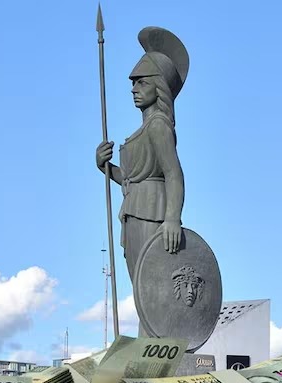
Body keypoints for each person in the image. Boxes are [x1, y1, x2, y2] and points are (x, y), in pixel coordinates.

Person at [96, 27, 190, 313]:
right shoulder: (145, 128)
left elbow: (173, 173)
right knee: (141, 289)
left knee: (151, 286)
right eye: (133, 83)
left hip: (152, 212)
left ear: (158, 85)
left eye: (141, 82)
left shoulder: (158, 125)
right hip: (135, 210)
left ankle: (155, 337)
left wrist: (172, 218)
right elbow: (132, 179)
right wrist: (105, 167)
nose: (134, 89)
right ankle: (146, 337)